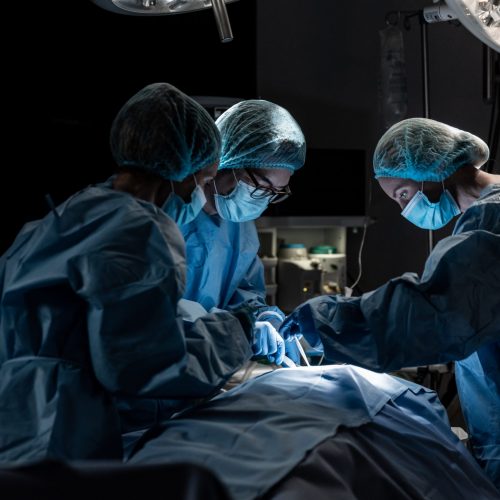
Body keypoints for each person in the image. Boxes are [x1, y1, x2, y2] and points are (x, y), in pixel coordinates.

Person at [0, 83, 254, 463]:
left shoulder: (69, 215)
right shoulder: (139, 228)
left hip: (14, 417)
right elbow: (142, 366)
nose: (200, 196)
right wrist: (235, 332)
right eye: (202, 182)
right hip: (60, 430)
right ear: (178, 172)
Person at [280, 117, 500, 488]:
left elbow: (437, 312)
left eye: (402, 194)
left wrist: (332, 319)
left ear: (432, 172)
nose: (405, 209)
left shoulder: (491, 218)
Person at [180, 100, 306, 366]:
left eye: (275, 193)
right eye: (261, 185)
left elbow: (245, 292)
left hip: (210, 364)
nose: (263, 199)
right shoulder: (172, 215)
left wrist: (262, 317)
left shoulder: (240, 226)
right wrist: (238, 328)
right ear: (227, 161)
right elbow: (153, 315)